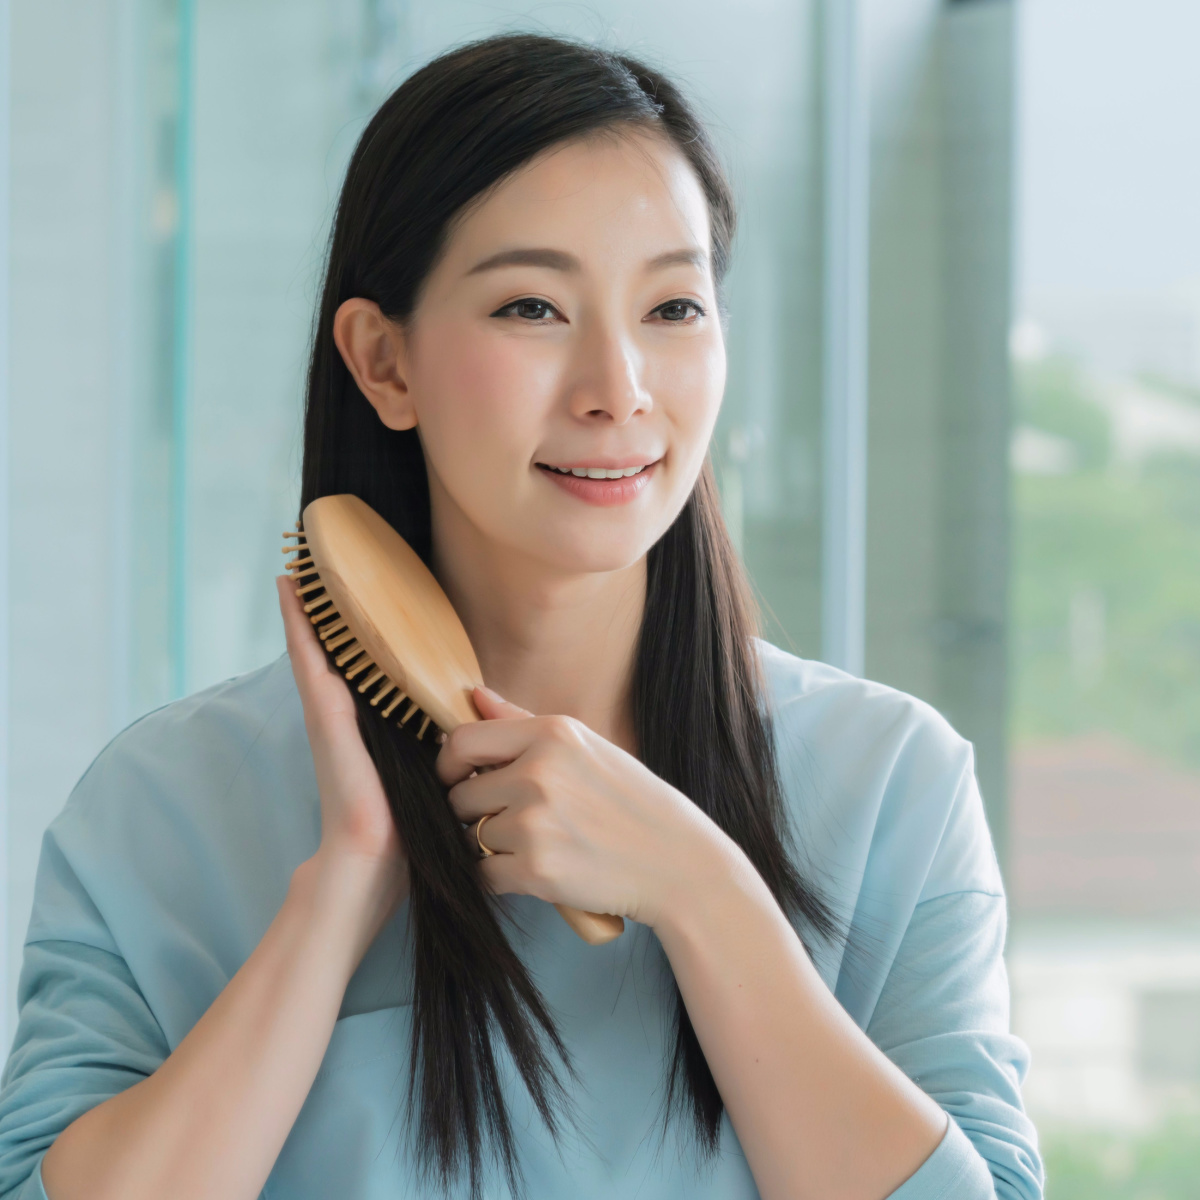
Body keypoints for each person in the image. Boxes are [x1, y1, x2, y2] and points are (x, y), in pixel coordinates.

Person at [0, 33, 1042, 1200]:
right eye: (534, 307)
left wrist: (706, 895)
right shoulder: (162, 810)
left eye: (674, 306)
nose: (618, 387)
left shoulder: (889, 785)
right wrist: (343, 888)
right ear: (382, 361)